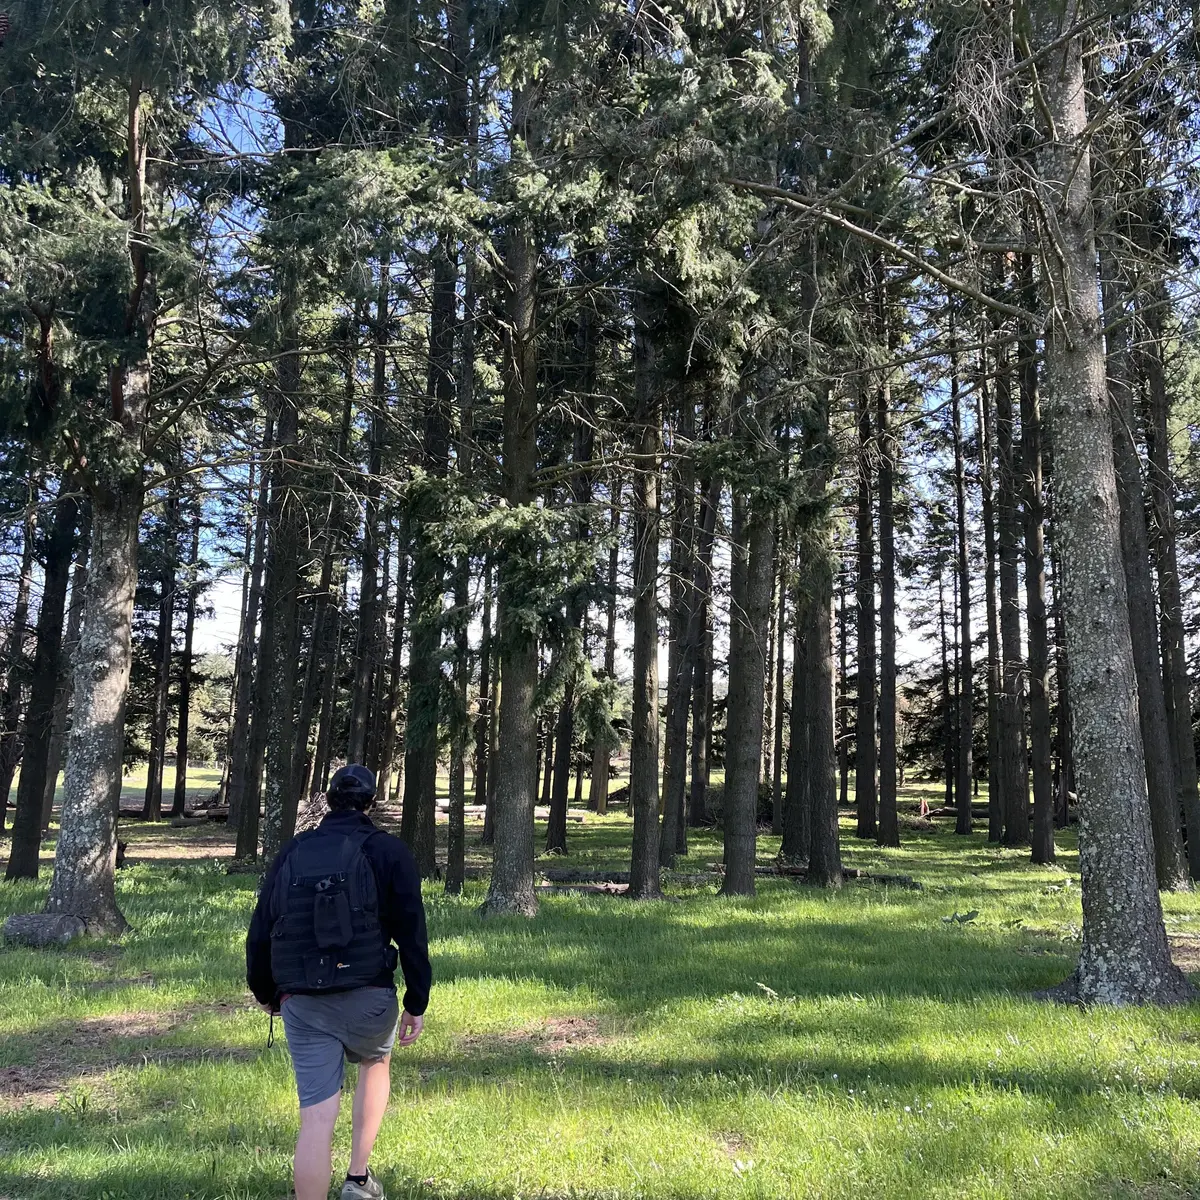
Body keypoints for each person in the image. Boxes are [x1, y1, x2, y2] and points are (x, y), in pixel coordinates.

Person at [246, 764, 431, 1200]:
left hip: (302, 999)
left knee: (315, 1117)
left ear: (328, 801)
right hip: (370, 993)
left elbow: (261, 929)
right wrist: (416, 1001)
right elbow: (411, 932)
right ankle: (358, 1179)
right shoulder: (388, 851)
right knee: (375, 1062)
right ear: (370, 803)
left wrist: (265, 992)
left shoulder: (293, 850)